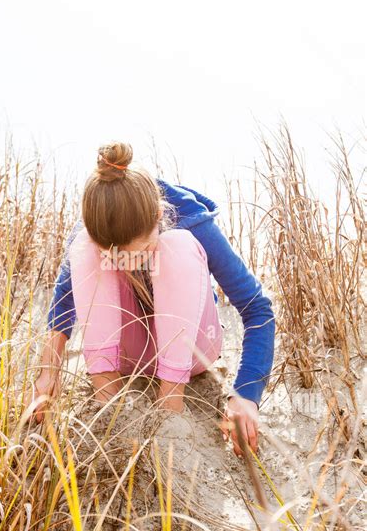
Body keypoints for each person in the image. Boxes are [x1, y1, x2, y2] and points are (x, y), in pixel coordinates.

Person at [26, 141, 275, 457]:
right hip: (129, 355)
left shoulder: (190, 219)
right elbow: (63, 306)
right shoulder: (94, 227)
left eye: (139, 253)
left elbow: (257, 308)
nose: (128, 265)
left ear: (158, 215)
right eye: (114, 257)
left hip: (192, 350)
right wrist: (48, 372)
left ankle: (170, 409)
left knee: (178, 246)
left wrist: (246, 395)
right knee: (84, 249)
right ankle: (107, 406)